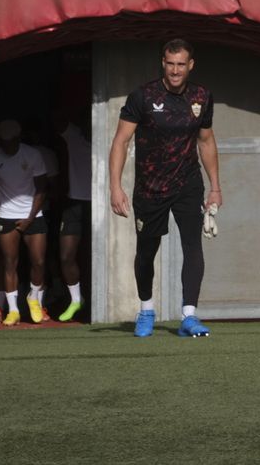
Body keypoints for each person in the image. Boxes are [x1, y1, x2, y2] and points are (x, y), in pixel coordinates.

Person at [108, 38, 221, 339]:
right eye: (170, 64)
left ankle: (189, 316)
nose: (175, 70)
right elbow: (121, 140)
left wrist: (215, 187)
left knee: (192, 246)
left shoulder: (201, 97)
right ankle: (146, 310)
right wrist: (115, 187)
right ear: (163, 63)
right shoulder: (143, 96)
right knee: (147, 251)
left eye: (181, 64)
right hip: (150, 187)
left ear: (190, 65)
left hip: (188, 183)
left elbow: (206, 141)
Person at [0, 119, 57, 326]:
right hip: (6, 214)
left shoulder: (33, 155)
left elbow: (42, 189)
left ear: (18, 138)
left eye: (11, 142)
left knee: (39, 262)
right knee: (9, 263)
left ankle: (33, 297)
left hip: (33, 215)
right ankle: (13, 310)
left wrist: (30, 218)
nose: (7, 146)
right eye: (3, 142)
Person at [52, 108, 92, 322]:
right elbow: (57, 118)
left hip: (100, 203)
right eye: (86, 120)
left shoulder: (109, 135)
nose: (88, 126)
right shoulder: (73, 135)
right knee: (66, 255)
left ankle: (95, 299)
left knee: (95, 256)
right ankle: (76, 300)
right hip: (74, 202)